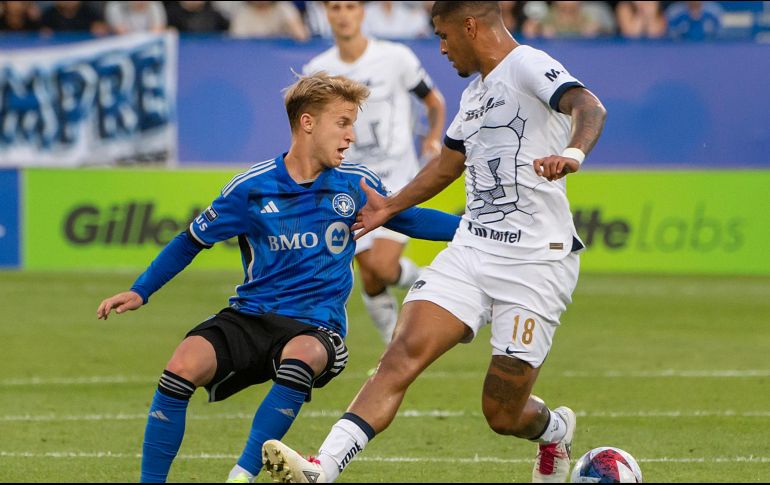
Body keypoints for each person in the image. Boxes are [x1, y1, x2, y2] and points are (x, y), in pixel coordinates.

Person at [263, 1, 606, 483]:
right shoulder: (474, 95)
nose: (441, 48)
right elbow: (448, 165)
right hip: (472, 250)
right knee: (401, 354)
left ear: (469, 26)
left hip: (536, 262)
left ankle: (554, 431)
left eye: (444, 35)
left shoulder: (528, 65)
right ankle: (322, 468)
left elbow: (587, 105)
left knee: (501, 413)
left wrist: (572, 151)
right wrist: (390, 206)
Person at [95, 72, 460, 483]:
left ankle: (242, 476)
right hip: (251, 315)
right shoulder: (251, 189)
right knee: (180, 366)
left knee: (300, 357)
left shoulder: (355, 185)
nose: (351, 136)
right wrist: (141, 290)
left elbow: (409, 217)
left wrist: (474, 226)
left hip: (317, 327)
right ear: (308, 123)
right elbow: (191, 240)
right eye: (342, 123)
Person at [303, 0, 446, 343]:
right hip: (351, 182)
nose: (342, 14)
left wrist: (432, 137)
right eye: (335, 8)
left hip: (397, 177)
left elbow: (434, 101)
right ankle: (391, 348)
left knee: (381, 266)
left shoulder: (396, 58)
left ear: (361, 13)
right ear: (327, 14)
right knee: (368, 274)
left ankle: (432, 282)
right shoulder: (318, 69)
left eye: (349, 6)